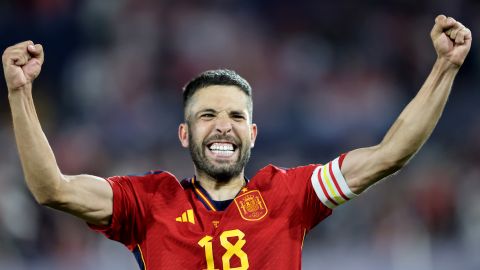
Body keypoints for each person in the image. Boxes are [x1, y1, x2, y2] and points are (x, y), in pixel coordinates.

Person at [2, 14, 472, 269]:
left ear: (253, 133)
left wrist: (445, 67)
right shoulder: (147, 202)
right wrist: (21, 92)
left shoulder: (288, 195)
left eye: (235, 116)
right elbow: (51, 189)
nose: (222, 125)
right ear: (185, 133)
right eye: (207, 115)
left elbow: (391, 154)